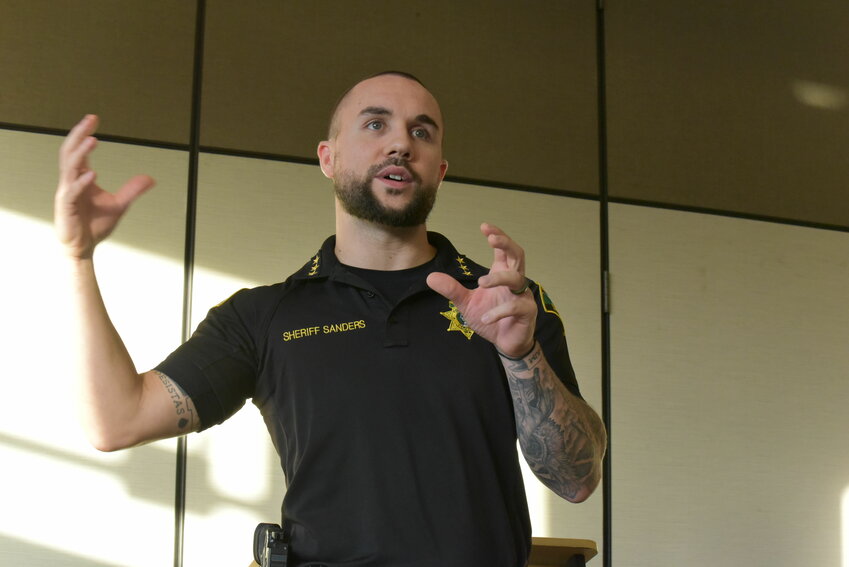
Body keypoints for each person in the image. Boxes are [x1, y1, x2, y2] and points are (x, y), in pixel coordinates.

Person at [54, 71, 607, 566]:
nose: (399, 143)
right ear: (327, 157)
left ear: (439, 170)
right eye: (374, 124)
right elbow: (115, 420)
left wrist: (521, 354)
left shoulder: (506, 302)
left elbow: (577, 481)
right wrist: (78, 259)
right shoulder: (263, 316)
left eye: (421, 132)